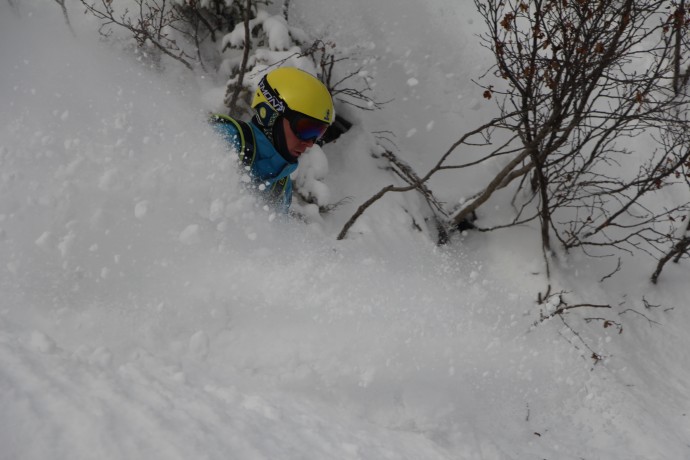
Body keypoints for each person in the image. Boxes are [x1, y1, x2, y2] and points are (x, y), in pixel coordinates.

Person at [210, 66, 335, 213]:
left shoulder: (281, 186)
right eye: (306, 129)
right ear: (270, 115)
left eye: (318, 132)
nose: (309, 143)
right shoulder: (224, 139)